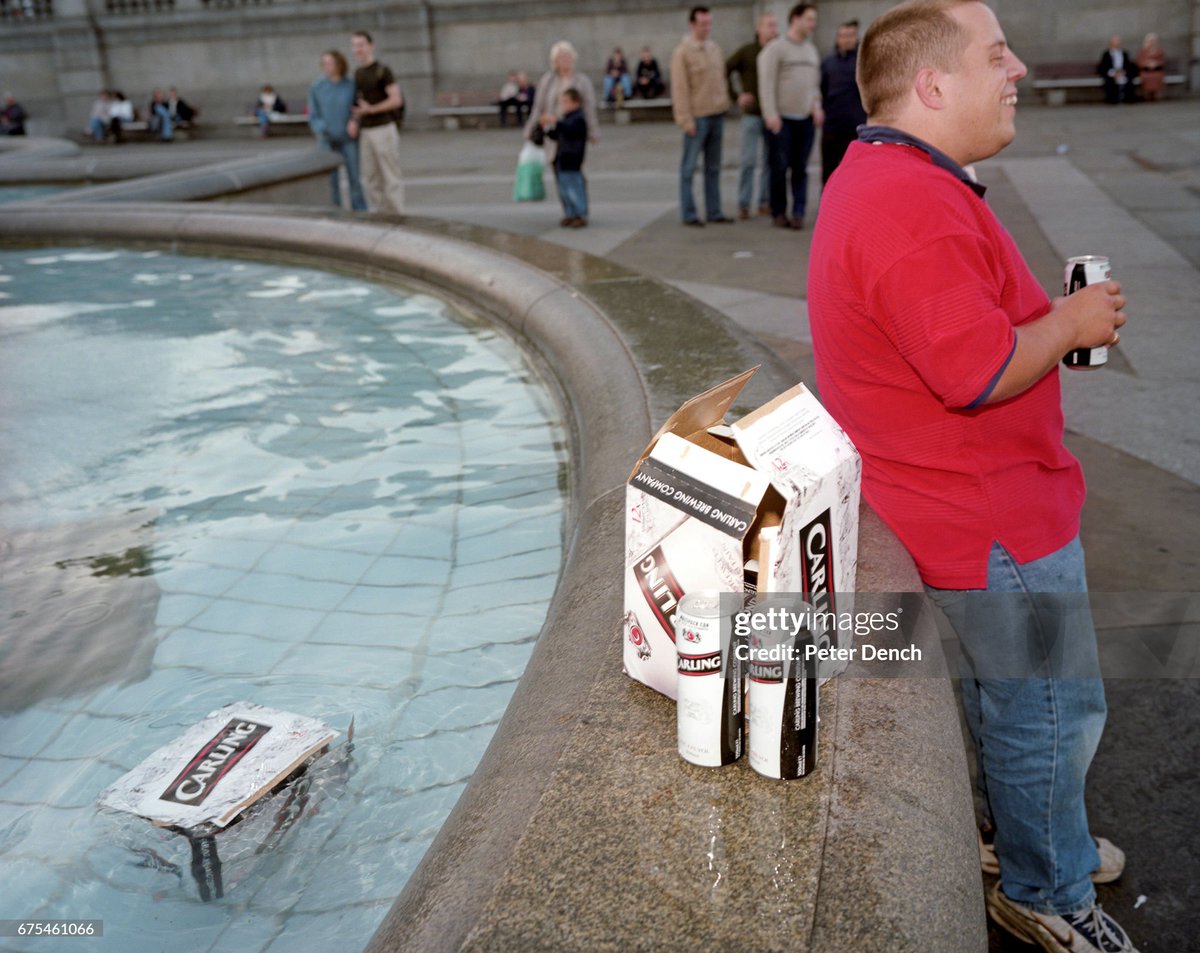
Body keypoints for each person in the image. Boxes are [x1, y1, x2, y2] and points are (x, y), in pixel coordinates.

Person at [808, 3, 1137, 952]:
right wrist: (1073, 324)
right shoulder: (910, 203)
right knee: (1049, 706)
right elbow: (979, 370)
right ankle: (1047, 889)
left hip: (949, 495)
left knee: (1020, 700)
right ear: (932, 86)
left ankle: (1033, 838)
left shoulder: (883, 175)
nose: (1020, 69)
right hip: (989, 509)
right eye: (997, 55)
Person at [758, 3, 823, 230]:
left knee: (800, 168)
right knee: (779, 167)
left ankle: (798, 212)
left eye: (814, 20)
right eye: (809, 19)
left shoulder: (811, 51)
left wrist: (816, 106)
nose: (812, 24)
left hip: (805, 120)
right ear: (795, 19)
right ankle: (778, 212)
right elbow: (766, 84)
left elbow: (814, 85)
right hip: (781, 120)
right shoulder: (776, 49)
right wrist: (771, 114)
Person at [524, 41, 600, 226]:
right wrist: (530, 128)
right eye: (560, 58)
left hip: (574, 133)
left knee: (574, 172)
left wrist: (593, 131)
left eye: (567, 57)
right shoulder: (547, 81)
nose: (565, 61)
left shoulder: (582, 81)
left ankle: (580, 212)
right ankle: (569, 210)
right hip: (554, 133)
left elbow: (590, 107)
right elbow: (538, 106)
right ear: (555, 61)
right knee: (558, 172)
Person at [671, 6, 733, 226]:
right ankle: (689, 213)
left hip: (716, 114)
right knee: (689, 168)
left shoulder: (714, 48)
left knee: (713, 168)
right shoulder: (683, 52)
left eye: (709, 23)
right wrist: (685, 120)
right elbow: (680, 89)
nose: (707, 28)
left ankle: (714, 211)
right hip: (697, 118)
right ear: (692, 25)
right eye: (702, 24)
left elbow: (721, 80)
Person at [726, 12, 778, 219]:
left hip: (772, 115)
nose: (772, 29)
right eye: (769, 25)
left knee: (770, 161)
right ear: (759, 28)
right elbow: (726, 68)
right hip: (752, 115)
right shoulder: (747, 52)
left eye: (774, 25)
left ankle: (764, 201)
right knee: (748, 160)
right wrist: (736, 96)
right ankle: (743, 203)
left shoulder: (778, 51)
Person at [349, 30, 405, 214]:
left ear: (371, 46)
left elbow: (396, 99)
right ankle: (381, 217)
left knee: (390, 176)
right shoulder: (357, 73)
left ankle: (397, 217)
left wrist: (371, 109)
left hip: (383, 128)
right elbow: (357, 102)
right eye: (355, 45)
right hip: (366, 131)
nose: (358, 49)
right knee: (371, 178)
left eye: (361, 45)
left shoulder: (382, 71)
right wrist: (355, 119)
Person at [309, 49, 366, 211]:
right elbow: (313, 115)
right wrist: (323, 128)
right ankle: (336, 211)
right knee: (331, 181)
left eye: (330, 63)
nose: (326, 67)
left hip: (348, 139)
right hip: (327, 140)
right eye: (324, 63)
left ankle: (360, 210)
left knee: (354, 179)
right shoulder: (317, 87)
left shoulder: (350, 85)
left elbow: (357, 107)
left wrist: (354, 121)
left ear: (339, 64)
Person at [819, 19, 867, 185]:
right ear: (837, 38)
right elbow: (822, 90)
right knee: (828, 171)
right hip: (832, 126)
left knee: (855, 172)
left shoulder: (863, 62)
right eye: (843, 35)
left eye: (850, 35)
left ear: (856, 37)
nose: (846, 39)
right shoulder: (827, 63)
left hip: (855, 127)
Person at [541, 87, 589, 227]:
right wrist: (547, 127)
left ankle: (579, 214)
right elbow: (556, 134)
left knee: (574, 187)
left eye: (566, 102)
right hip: (562, 157)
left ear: (576, 103)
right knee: (564, 189)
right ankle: (570, 213)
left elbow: (570, 129)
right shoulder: (566, 118)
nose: (564, 105)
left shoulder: (578, 118)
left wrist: (555, 121)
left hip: (573, 158)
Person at [1097, 35, 1137, 105]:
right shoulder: (1106, 54)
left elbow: (1128, 65)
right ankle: (1113, 99)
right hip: (1112, 73)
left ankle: (1128, 98)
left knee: (1130, 79)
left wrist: (1124, 72)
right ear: (1111, 44)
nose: (1117, 44)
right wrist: (1113, 73)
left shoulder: (1124, 53)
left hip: (1123, 72)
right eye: (1115, 43)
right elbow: (1103, 67)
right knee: (1109, 81)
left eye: (1118, 43)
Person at [1135, 33, 1167, 102]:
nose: (1152, 43)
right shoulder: (1143, 51)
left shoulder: (1159, 51)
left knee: (1157, 76)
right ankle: (1147, 95)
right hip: (1146, 70)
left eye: (1153, 41)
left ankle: (1155, 95)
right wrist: (1146, 63)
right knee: (1146, 77)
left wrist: (1155, 63)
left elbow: (1162, 61)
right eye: (1150, 41)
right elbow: (1139, 62)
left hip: (1156, 70)